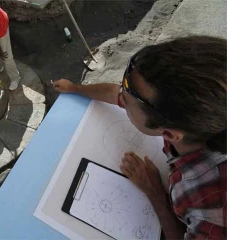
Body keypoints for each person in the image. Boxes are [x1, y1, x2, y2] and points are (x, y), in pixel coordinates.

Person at [53, 36, 226, 239]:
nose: (121, 95)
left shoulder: (211, 207)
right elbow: (115, 93)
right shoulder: (207, 107)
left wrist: (156, 194)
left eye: (128, 100)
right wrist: (74, 88)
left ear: (169, 133)